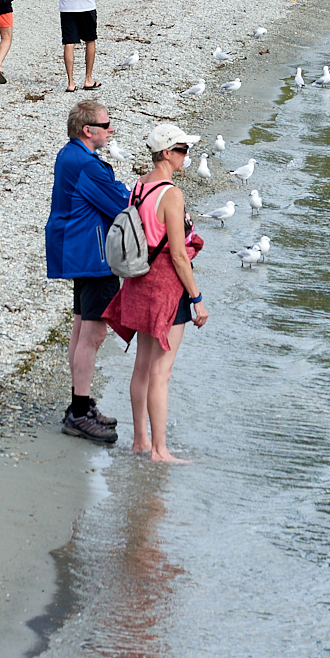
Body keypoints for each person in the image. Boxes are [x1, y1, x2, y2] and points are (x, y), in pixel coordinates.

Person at [102, 122, 208, 462]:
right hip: (165, 285)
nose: (186, 156)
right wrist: (197, 299)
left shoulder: (138, 187)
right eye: (181, 150)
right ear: (166, 153)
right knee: (162, 372)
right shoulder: (171, 194)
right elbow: (178, 253)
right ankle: (160, 450)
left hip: (138, 280)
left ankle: (140, 440)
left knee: (142, 367)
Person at [44, 99, 133, 443]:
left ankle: (79, 403)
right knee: (93, 333)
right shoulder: (88, 166)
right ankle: (80, 412)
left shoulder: (69, 155)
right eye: (106, 124)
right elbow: (121, 204)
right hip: (93, 255)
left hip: (78, 250)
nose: (111, 129)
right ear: (88, 130)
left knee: (82, 326)